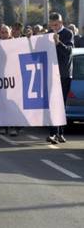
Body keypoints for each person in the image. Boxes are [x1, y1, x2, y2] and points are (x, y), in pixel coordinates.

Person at [47, 12, 73, 144]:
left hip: (64, 75)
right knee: (53, 103)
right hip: (51, 74)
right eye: (51, 25)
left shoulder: (68, 34)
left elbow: (68, 52)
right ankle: (53, 133)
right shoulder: (48, 34)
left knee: (60, 104)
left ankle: (60, 132)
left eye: (56, 25)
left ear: (61, 23)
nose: (54, 28)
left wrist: (58, 43)